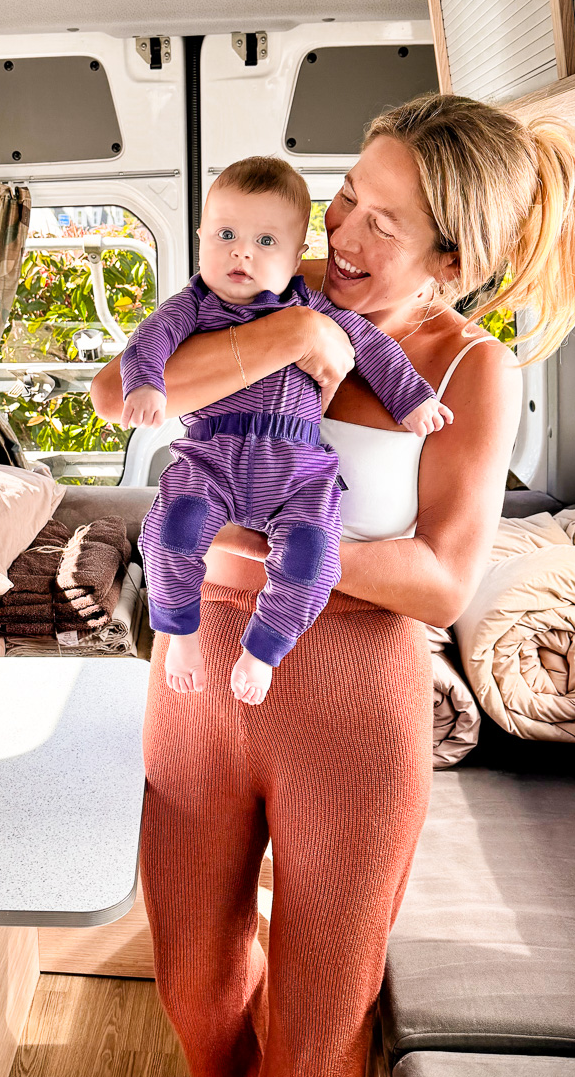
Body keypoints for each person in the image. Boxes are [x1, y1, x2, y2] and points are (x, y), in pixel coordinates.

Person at [91, 93, 575, 1077]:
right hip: (198, 688)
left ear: (451, 262)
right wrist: (289, 330)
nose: (342, 233)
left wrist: (264, 555)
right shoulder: (270, 277)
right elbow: (117, 393)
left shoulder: (470, 369)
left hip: (354, 715)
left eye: (384, 222)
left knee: (323, 1036)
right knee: (190, 983)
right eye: (347, 196)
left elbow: (444, 579)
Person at [120, 156, 451, 705]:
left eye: (265, 241)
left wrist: (412, 399)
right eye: (224, 235)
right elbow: (146, 343)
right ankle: (179, 632)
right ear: (200, 239)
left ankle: (264, 649)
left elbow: (372, 349)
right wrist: (145, 385)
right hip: (211, 459)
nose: (241, 252)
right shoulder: (192, 308)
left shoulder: (313, 303)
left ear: (297, 257)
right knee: (169, 532)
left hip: (297, 469)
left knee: (310, 556)